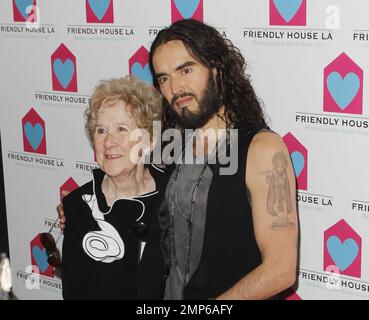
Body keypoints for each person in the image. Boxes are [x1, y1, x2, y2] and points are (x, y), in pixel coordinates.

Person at [59, 19, 298, 300]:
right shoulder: (173, 148)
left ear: (216, 69)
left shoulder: (262, 148)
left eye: (185, 70)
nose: (175, 87)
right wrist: (78, 209)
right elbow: (137, 190)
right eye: (164, 78)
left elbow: (281, 269)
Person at [61, 76, 166, 299]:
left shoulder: (174, 195)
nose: (109, 141)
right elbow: (75, 293)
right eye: (101, 131)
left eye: (121, 129)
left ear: (150, 140)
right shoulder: (77, 206)